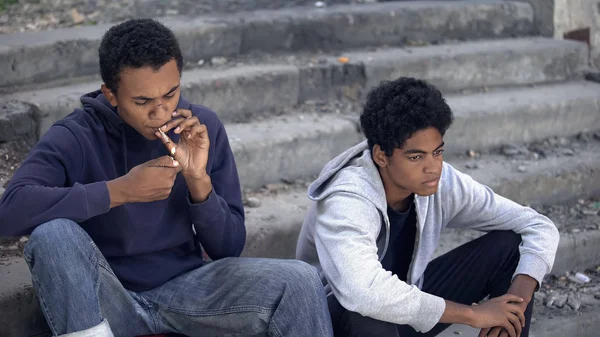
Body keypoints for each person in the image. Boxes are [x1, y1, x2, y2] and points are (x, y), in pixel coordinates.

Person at [0, 18, 333, 337]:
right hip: (109, 298)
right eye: (143, 101)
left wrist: (198, 179)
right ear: (111, 94)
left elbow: (228, 247)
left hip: (189, 291)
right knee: (52, 233)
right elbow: (9, 212)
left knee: (300, 281)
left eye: (170, 94)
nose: (160, 112)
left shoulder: (201, 128)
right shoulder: (76, 136)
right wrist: (120, 191)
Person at [296, 77, 560, 337]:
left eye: (438, 152)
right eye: (416, 156)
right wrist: (472, 313)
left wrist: (515, 304)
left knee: (509, 247)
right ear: (381, 156)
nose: (433, 166)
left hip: (405, 312)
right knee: (368, 315)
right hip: (336, 323)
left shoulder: (439, 181)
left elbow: (537, 225)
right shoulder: (347, 198)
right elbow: (363, 291)